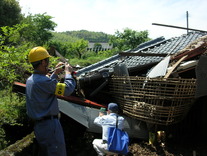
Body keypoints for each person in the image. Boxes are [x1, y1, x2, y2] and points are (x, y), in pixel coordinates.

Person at [26, 46, 76, 156]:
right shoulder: (43, 81)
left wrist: (56, 73)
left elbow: (48, 86)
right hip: (50, 126)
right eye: (47, 61)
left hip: (40, 127)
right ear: (43, 62)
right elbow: (67, 89)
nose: (48, 64)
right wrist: (68, 73)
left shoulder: (31, 80)